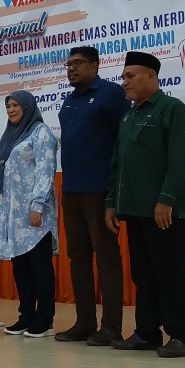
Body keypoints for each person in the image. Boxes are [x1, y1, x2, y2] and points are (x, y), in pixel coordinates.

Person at [106, 51, 185, 358]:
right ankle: (147, 332)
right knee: (143, 275)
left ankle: (182, 336)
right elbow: (118, 165)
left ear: (151, 75)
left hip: (165, 212)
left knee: (172, 273)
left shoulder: (173, 109)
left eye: (130, 76)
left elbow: (182, 161)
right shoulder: (128, 116)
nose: (125, 82)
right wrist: (111, 203)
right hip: (135, 210)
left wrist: (166, 200)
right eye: (123, 77)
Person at [55, 46, 131, 346]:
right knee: (78, 258)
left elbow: (123, 141)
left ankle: (111, 327)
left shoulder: (111, 94)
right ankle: (84, 323)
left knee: (107, 257)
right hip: (71, 190)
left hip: (100, 189)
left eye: (78, 63)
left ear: (95, 66)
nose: (71, 69)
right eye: (68, 64)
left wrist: (115, 190)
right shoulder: (69, 100)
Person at [0, 91, 59, 338]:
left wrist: (37, 205)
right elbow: (1, 176)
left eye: (15, 105)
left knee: (39, 267)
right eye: (8, 106)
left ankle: (45, 319)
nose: (10, 109)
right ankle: (26, 315)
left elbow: (45, 170)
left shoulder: (41, 133)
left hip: (34, 213)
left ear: (28, 107)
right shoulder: (9, 136)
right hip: (12, 215)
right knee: (20, 267)